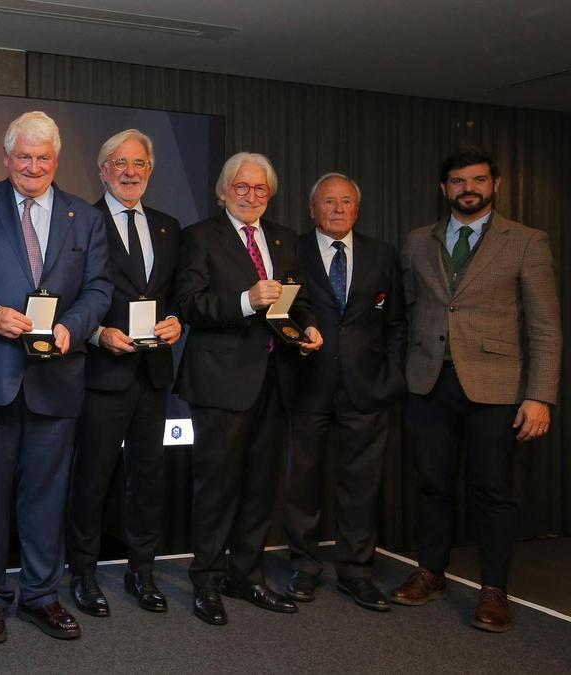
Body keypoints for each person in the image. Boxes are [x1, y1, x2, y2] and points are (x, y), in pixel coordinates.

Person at [0, 111, 112, 644]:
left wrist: (74, 327)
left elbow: (100, 289)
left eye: (43, 157)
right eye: (24, 156)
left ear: (56, 162)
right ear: (6, 156)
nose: (33, 166)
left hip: (57, 376)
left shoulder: (84, 218)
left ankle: (41, 595)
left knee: (46, 494)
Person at [392, 144, 561, 632]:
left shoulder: (527, 241)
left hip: (497, 388)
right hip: (428, 383)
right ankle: (431, 572)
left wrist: (540, 395)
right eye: (459, 182)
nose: (470, 189)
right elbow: (407, 309)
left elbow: (545, 325)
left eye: (479, 181)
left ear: (495, 185)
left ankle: (493, 590)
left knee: (493, 490)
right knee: (431, 485)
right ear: (444, 188)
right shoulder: (418, 240)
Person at [174, 151, 323, 626]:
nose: (251, 196)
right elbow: (189, 305)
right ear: (223, 191)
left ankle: (247, 575)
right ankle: (208, 580)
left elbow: (299, 299)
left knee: (261, 487)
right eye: (242, 187)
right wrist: (244, 300)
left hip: (276, 380)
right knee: (216, 487)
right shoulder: (199, 237)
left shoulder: (284, 239)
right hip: (220, 382)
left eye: (260, 189)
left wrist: (311, 326)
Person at [66, 129, 181, 617]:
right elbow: (70, 295)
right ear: (103, 169)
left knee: (148, 479)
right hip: (101, 371)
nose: (130, 172)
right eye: (120, 163)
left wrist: (178, 321)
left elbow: (174, 293)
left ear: (150, 171)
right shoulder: (81, 223)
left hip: (152, 373)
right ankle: (83, 575)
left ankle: (143, 571)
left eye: (139, 163)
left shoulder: (169, 227)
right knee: (91, 478)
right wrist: (97, 334)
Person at [281, 173, 405, 611]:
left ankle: (356, 571)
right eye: (328, 202)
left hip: (367, 389)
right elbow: (283, 312)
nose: (337, 209)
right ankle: (305, 566)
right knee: (302, 483)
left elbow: (396, 324)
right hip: (306, 384)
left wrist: (390, 379)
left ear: (357, 208)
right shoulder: (289, 250)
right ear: (312, 209)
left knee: (362, 485)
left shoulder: (382, 255)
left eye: (346, 202)